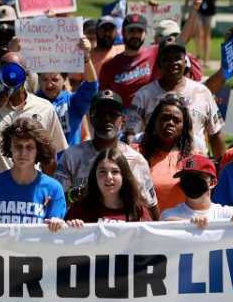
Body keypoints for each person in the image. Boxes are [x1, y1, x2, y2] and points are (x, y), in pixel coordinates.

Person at [0, 52, 68, 188]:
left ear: (26, 74)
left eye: (15, 70)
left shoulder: (44, 108)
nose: (11, 76)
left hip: (28, 192)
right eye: (5, 70)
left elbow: (51, 156)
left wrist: (46, 189)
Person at [55, 89, 158, 217]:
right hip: (82, 229)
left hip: (122, 231)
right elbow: (56, 200)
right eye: (100, 114)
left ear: (123, 121)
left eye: (113, 114)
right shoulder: (72, 156)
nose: (106, 118)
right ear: (91, 119)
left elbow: (151, 206)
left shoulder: (137, 160)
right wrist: (75, 195)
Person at [127, 42, 225, 158]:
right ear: (159, 63)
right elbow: (131, 136)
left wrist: (221, 166)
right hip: (155, 165)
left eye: (177, 58)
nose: (173, 63)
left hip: (195, 166)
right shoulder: (143, 95)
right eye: (167, 59)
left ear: (185, 62)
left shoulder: (202, 92)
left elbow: (215, 134)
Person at [0, 118, 67, 225]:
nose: (23, 152)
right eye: (18, 146)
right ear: (10, 147)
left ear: (38, 150)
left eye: (29, 147)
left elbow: (54, 237)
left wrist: (57, 224)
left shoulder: (53, 189)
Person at [161, 154, 233, 229]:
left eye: (197, 177)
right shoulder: (170, 214)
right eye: (186, 177)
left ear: (212, 183)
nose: (190, 181)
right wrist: (189, 224)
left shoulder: (226, 213)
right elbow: (165, 223)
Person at [59, 147, 153, 228]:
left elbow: (148, 243)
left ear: (124, 176)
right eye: (102, 172)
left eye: (115, 172)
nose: (108, 177)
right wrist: (70, 228)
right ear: (94, 176)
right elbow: (64, 242)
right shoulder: (79, 209)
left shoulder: (138, 211)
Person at [36, 37, 98, 148]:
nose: (49, 85)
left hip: (68, 164)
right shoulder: (31, 102)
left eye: (55, 80)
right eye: (45, 79)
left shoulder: (74, 102)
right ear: (38, 79)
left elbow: (91, 85)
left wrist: (86, 57)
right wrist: (14, 52)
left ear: (64, 79)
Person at [141, 94, 197, 212]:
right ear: (154, 122)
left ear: (184, 127)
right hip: (143, 226)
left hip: (179, 226)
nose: (170, 123)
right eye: (165, 118)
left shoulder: (194, 158)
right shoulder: (136, 154)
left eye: (176, 120)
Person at [98, 13, 156, 106]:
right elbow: (103, 101)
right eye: (131, 31)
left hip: (150, 118)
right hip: (122, 118)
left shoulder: (155, 53)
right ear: (123, 32)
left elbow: (181, 40)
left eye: (140, 31)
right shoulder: (109, 66)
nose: (135, 35)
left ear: (145, 33)